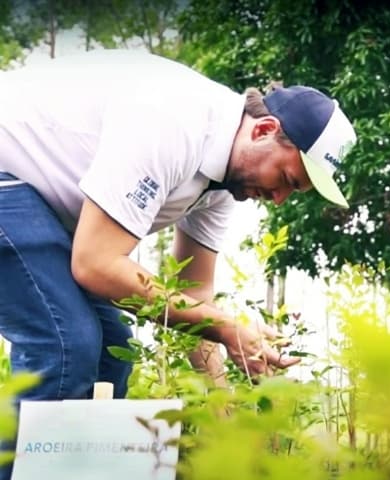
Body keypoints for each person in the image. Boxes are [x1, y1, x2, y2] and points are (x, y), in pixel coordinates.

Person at [0, 50, 357, 400]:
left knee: (113, 353)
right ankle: (21, 444)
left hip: (38, 206)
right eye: (286, 179)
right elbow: (95, 264)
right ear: (264, 129)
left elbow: (196, 297)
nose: (278, 199)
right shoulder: (175, 124)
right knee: (67, 344)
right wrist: (227, 327)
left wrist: (222, 412)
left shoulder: (222, 186)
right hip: (8, 176)